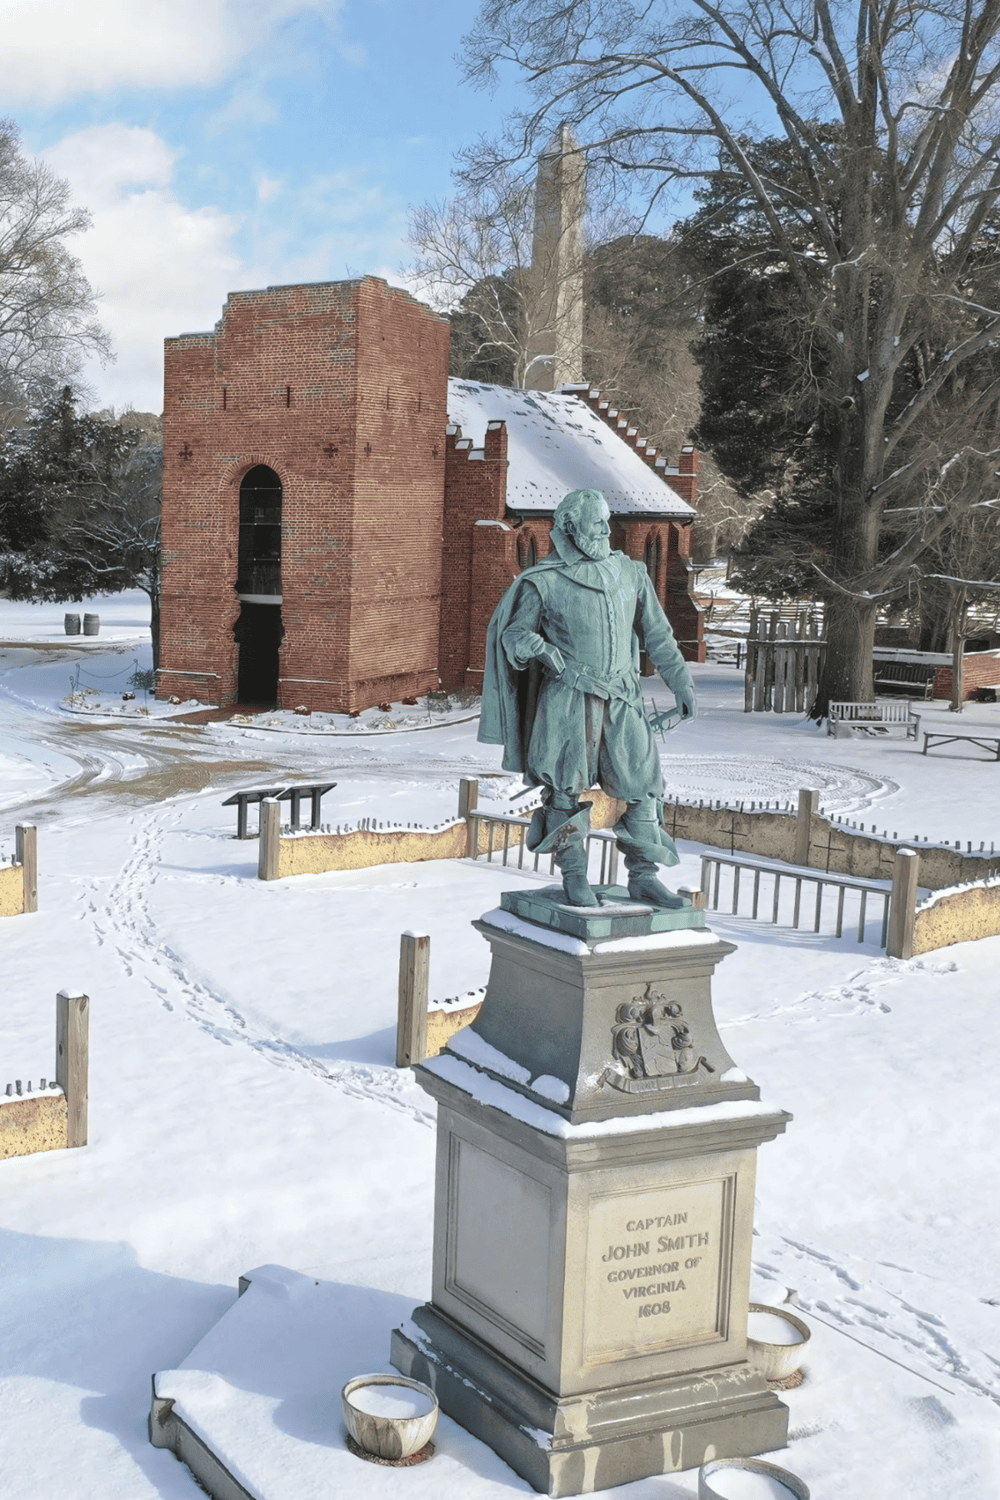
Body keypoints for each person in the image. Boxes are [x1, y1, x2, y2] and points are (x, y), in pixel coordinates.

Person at [479, 488, 697, 908]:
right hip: (569, 700)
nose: (604, 527)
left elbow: (658, 635)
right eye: (595, 521)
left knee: (644, 786)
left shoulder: (631, 574)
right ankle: (575, 875)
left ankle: (643, 875)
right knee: (564, 790)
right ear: (569, 528)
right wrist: (540, 649)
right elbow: (513, 636)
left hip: (622, 699)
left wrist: (682, 683)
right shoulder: (544, 581)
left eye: (605, 519)